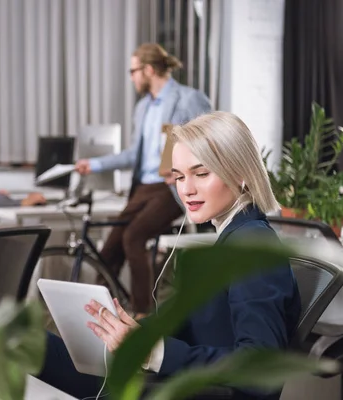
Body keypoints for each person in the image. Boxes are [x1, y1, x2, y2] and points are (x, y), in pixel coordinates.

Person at [37, 111, 301, 400]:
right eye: (179, 177)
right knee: (30, 343)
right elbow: (197, 327)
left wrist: (156, 352)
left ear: (239, 174)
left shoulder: (250, 245)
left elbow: (259, 372)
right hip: (165, 381)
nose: (186, 190)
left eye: (201, 174)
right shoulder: (231, 237)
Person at [74, 43, 212, 314]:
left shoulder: (188, 99)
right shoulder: (142, 109)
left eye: (133, 70)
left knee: (134, 237)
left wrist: (186, 170)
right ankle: (97, 311)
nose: (131, 77)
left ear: (148, 70)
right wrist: (95, 164)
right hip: (143, 187)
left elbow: (210, 141)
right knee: (111, 247)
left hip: (169, 188)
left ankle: (142, 316)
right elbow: (132, 156)